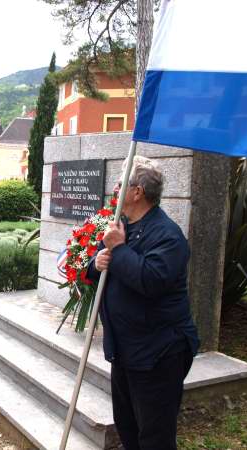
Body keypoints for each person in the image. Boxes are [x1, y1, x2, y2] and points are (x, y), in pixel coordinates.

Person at [87, 156, 199, 450]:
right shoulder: (120, 226)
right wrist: (96, 263)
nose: (114, 189)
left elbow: (150, 280)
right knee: (127, 428)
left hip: (158, 353)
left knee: (154, 437)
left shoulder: (168, 236)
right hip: (125, 351)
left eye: (120, 183)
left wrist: (118, 249)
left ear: (137, 192)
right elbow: (100, 266)